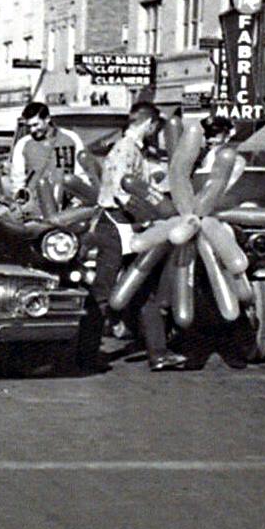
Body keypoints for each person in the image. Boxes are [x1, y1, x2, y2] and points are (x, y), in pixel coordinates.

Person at [98, 102, 186, 372]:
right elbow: (123, 190)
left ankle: (158, 353)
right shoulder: (126, 149)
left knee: (141, 286)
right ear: (148, 124)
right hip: (117, 223)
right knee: (103, 290)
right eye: (154, 128)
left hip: (128, 226)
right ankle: (84, 349)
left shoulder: (134, 150)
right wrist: (147, 215)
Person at [9, 102, 84, 211]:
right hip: (35, 210)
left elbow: (81, 173)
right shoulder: (23, 144)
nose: (32, 130)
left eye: (35, 125)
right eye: (29, 126)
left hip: (67, 209)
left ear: (47, 119)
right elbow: (17, 179)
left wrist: (77, 201)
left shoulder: (71, 139)